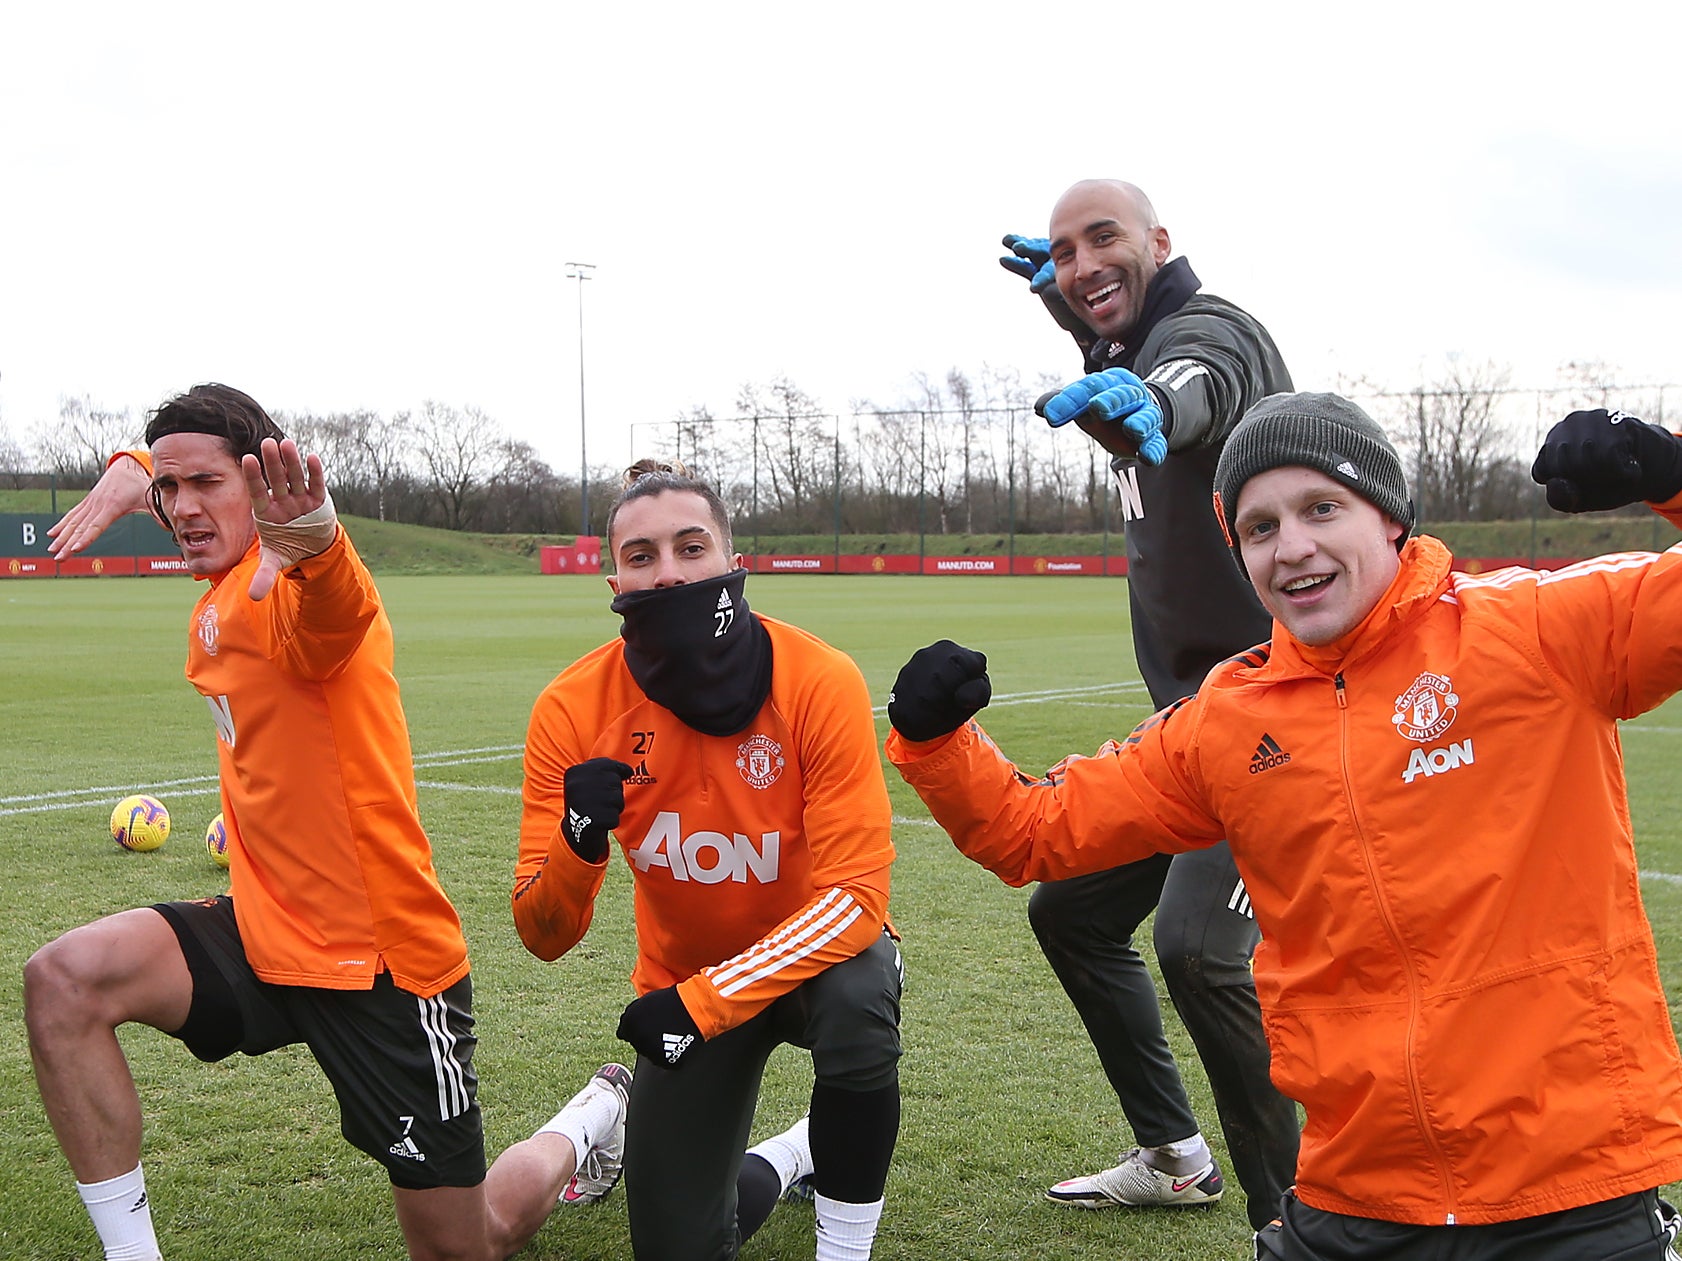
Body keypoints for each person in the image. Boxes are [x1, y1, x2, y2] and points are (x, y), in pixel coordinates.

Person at [888, 392, 1682, 1258]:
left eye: (1321, 508)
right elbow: (1033, 830)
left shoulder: (1538, 630)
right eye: (1259, 527)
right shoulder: (1228, 721)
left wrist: (1674, 471)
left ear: (1389, 518)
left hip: (1576, 1194)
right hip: (1360, 1197)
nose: (1291, 547)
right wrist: (937, 741)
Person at [25, 383, 629, 1261]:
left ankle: (593, 1116)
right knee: (65, 980)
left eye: (208, 485)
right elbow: (192, 473)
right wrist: (134, 466)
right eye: (171, 489)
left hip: (383, 963)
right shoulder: (220, 590)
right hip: (267, 934)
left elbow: (331, 601)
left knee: (470, 1244)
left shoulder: (289, 585)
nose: (185, 507)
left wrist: (310, 537)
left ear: (260, 484)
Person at [995, 178, 1299, 1227]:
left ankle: (1296, 1219)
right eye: (1063, 251)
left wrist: (1156, 398)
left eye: (1103, 241)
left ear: (1160, 241)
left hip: (1288, 719)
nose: (1080, 265)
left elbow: (1191, 378)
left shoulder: (1214, 331)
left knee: (1200, 950)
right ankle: (1173, 1153)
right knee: (1072, 911)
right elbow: (1130, 378)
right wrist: (1073, 317)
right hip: (1197, 729)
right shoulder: (1121, 351)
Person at [511, 460, 903, 1261]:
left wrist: (705, 1002)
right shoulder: (571, 707)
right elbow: (543, 932)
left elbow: (858, 900)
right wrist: (580, 840)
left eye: (692, 547)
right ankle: (794, 1152)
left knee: (862, 990)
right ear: (613, 577)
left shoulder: (818, 680)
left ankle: (845, 1250)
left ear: (731, 559)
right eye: (643, 555)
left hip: (804, 970)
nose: (670, 571)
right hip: (687, 988)